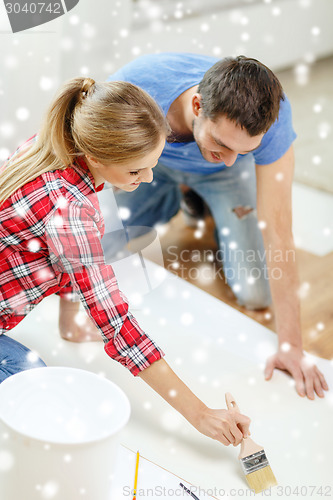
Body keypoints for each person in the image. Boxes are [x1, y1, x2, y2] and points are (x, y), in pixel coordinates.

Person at [0, 77, 251, 447]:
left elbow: (69, 260)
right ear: (98, 156)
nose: (147, 179)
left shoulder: (54, 144)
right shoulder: (68, 210)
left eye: (151, 165)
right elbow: (116, 322)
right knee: (37, 394)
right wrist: (200, 414)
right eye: (135, 171)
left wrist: (70, 321)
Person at [101, 52, 328, 400]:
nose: (231, 156)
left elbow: (279, 232)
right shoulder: (135, 90)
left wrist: (291, 346)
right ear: (196, 105)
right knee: (105, 248)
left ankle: (203, 202)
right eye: (221, 142)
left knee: (255, 293)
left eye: (244, 149)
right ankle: (181, 197)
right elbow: (88, 171)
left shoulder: (272, 122)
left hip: (224, 181)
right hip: (149, 168)